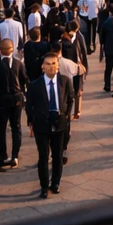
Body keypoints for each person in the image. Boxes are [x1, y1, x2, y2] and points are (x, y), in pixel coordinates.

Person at [25, 52, 74, 199]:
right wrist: (32, 121)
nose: (51, 67)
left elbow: (70, 99)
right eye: (48, 64)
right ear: (42, 67)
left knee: (58, 156)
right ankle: (44, 186)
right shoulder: (34, 85)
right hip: (42, 126)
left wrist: (66, 115)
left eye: (54, 63)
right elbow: (29, 105)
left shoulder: (65, 81)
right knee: (43, 156)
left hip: (60, 124)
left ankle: (56, 183)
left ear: (58, 66)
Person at [0, 38, 28, 170]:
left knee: (1, 129)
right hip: (17, 99)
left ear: (0, 50)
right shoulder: (19, 64)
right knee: (16, 127)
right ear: (12, 50)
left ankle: (3, 156)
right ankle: (15, 156)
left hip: (1, 100)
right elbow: (25, 80)